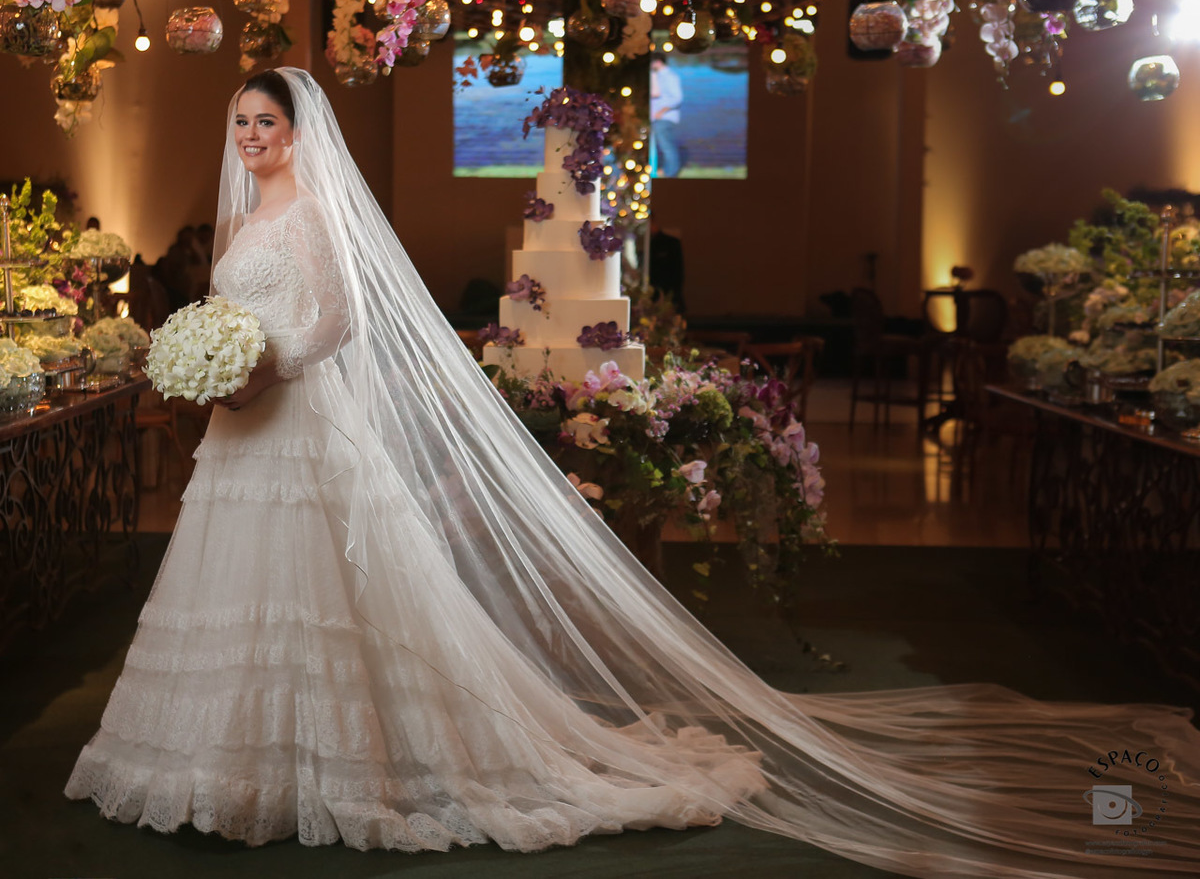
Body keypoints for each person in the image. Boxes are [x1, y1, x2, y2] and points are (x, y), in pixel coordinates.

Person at [65, 69, 1200, 875]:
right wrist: (215, 363)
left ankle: (354, 757)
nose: (251, 135)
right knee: (236, 588)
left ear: (297, 130)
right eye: (240, 121)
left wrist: (263, 365)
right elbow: (232, 313)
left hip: (299, 418)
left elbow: (339, 319)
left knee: (333, 592)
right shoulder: (237, 224)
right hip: (243, 435)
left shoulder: (315, 213)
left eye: (265, 120)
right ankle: (230, 760)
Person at [650, 53, 683, 178]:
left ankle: (671, 172)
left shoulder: (670, 76)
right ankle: (664, 170)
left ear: (658, 62)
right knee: (661, 145)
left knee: (666, 145)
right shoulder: (657, 75)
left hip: (665, 117)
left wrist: (662, 111)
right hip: (656, 117)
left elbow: (677, 98)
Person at [647, 211, 685, 313]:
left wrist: (673, 298)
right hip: (649, 296)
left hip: (668, 295)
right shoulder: (644, 245)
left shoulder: (671, 243)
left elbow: (678, 274)